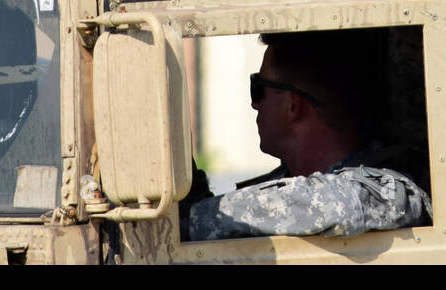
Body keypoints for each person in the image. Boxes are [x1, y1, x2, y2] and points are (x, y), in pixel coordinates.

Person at [185, 31, 431, 242]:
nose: (254, 104)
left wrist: (197, 219)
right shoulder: (287, 186)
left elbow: (338, 204)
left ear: (294, 105)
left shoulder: (386, 191)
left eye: (258, 89)